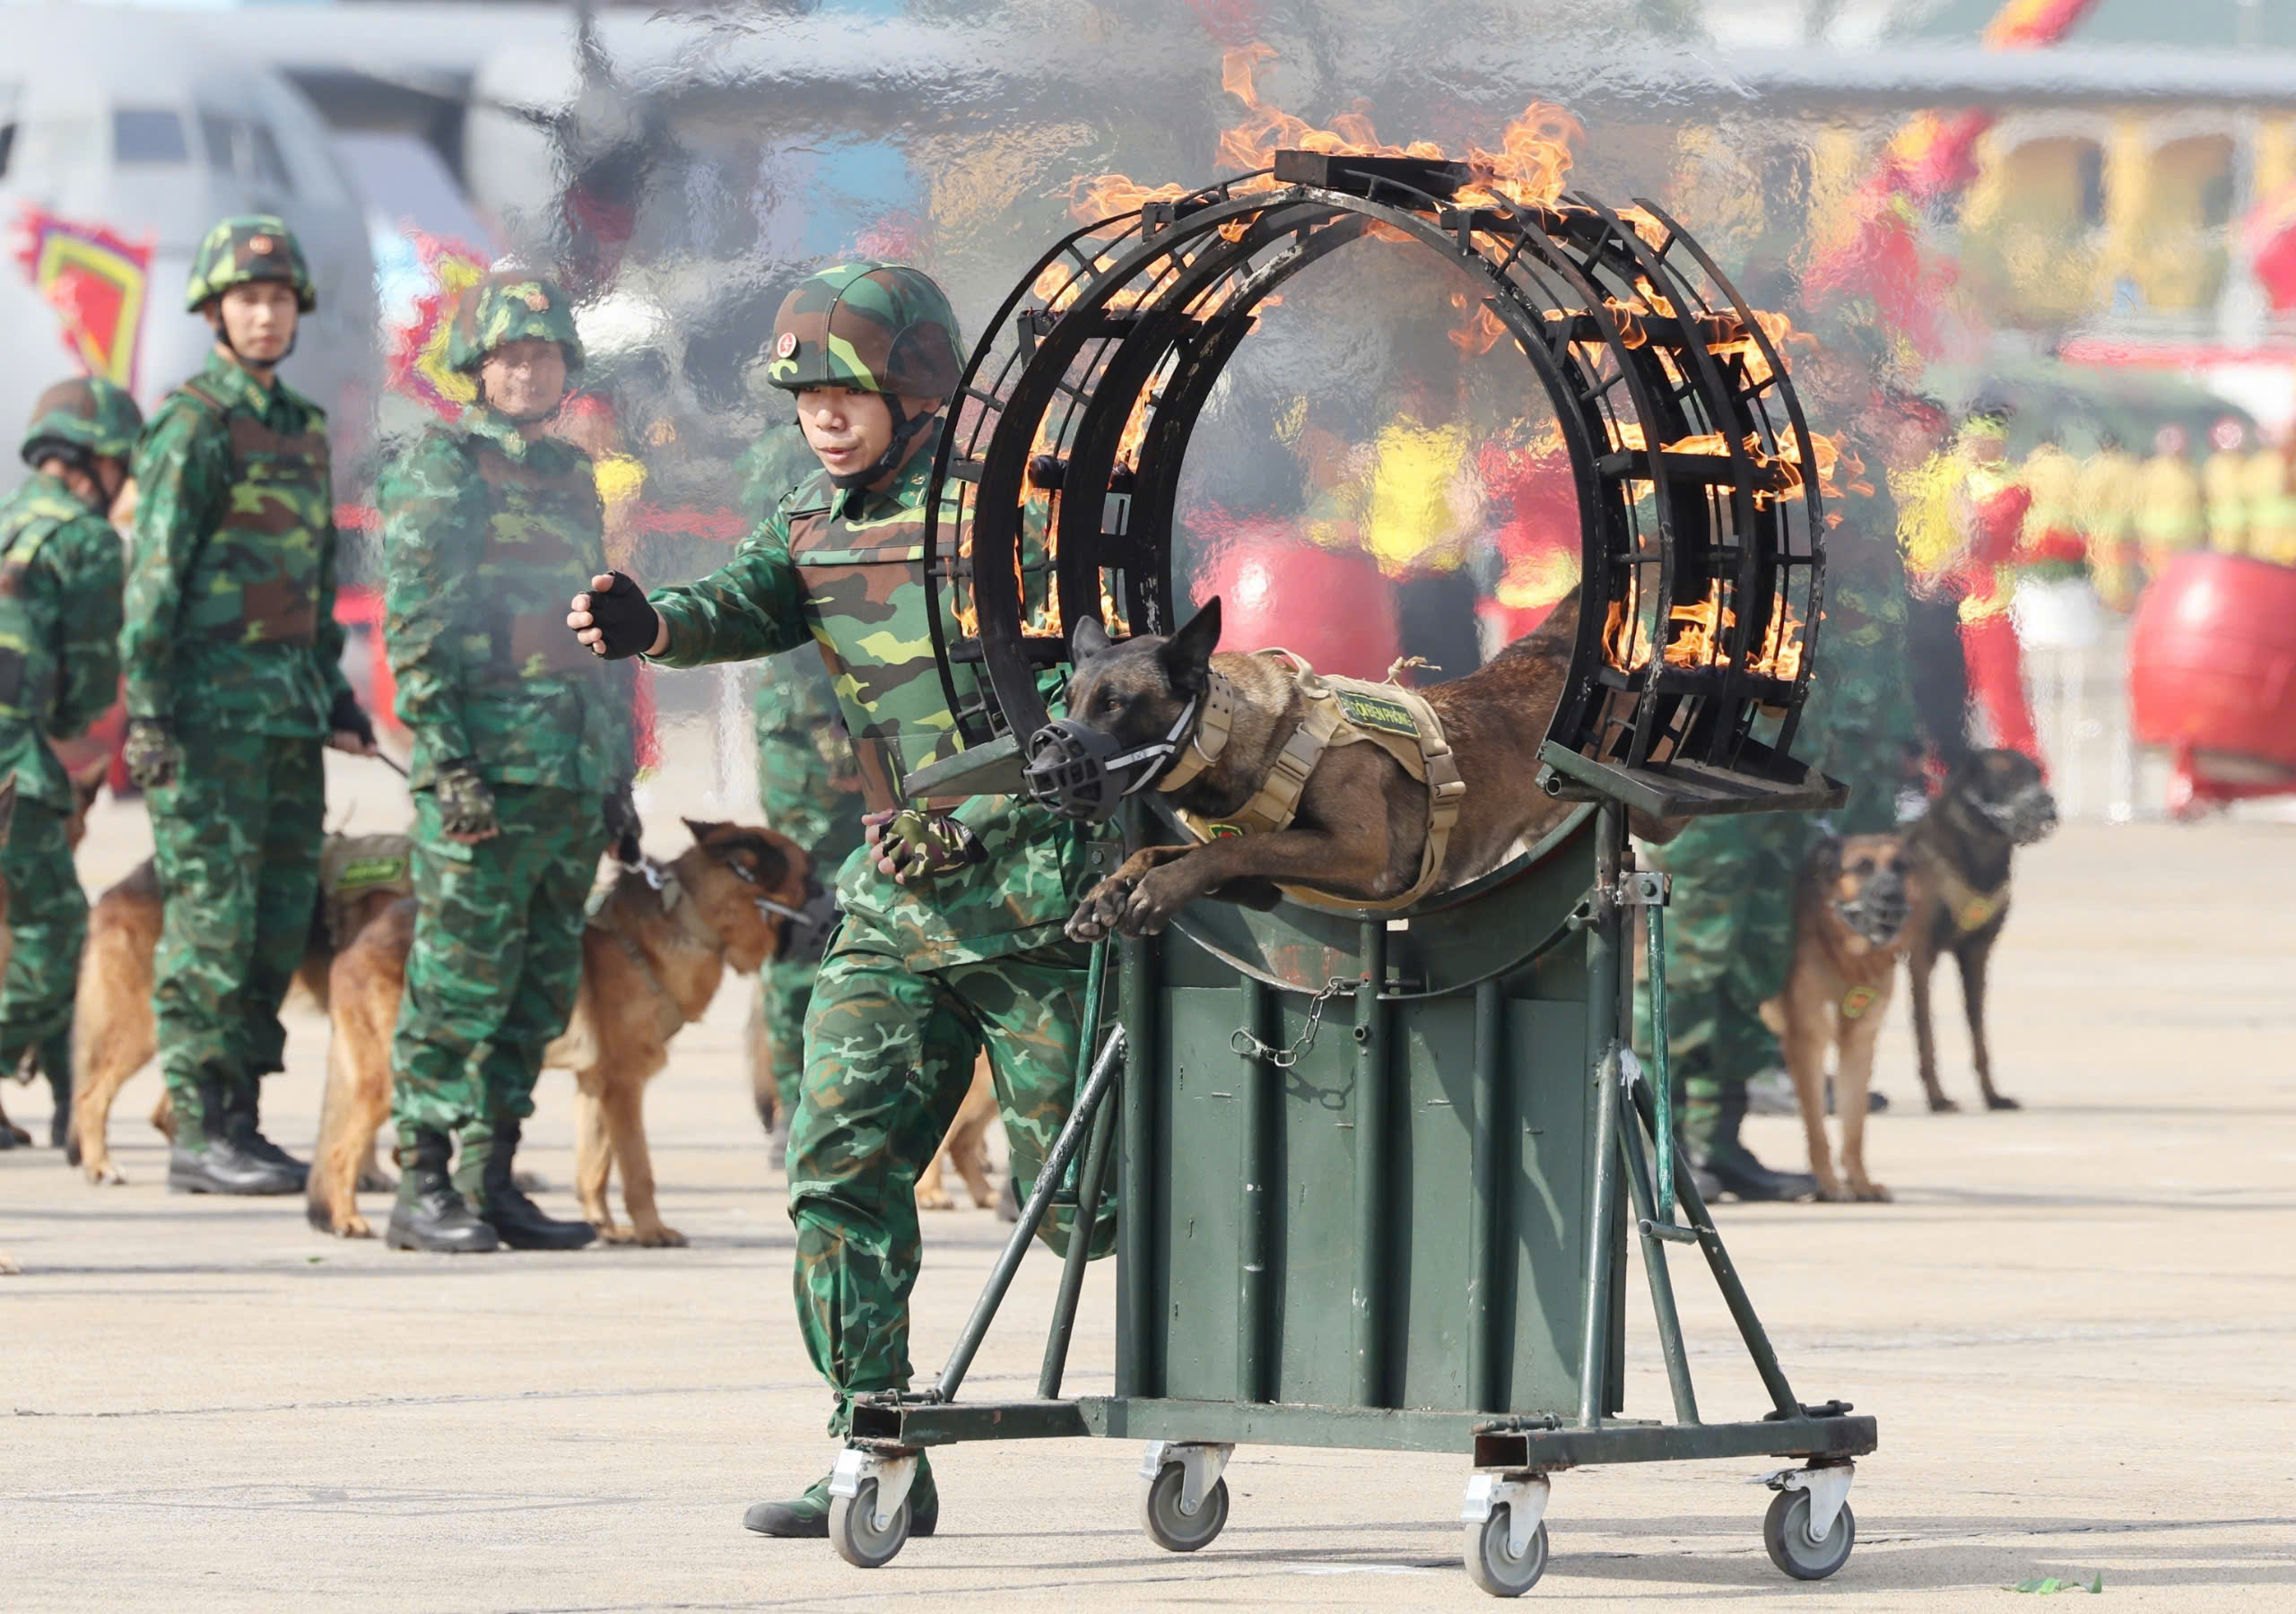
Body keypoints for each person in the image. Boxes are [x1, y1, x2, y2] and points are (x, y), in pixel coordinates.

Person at [567, 261, 1117, 1538]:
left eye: (847, 388)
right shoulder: (809, 519)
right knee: (837, 1163)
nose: (821, 411)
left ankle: (1212, 1389)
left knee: (1082, 1204)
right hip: (904, 893)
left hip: (1043, 898)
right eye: (805, 390)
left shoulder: (1010, 516)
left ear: (917, 388)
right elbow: (742, 604)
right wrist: (652, 626)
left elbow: (1126, 653)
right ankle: (874, 1449)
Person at [376, 270, 635, 1254]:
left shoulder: (573, 477)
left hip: (566, 773)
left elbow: (594, 632)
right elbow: (421, 630)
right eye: (509, 355)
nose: (527, 371)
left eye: (544, 354)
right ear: (477, 369)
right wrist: (447, 767)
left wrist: (614, 775)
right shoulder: (441, 468)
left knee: (534, 983)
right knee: (459, 981)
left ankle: (493, 1177)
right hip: (482, 772)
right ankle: (425, 1180)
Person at [120, 215, 377, 1195]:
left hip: (286, 722)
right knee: (212, 922)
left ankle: (241, 1115)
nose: (265, 314)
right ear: (217, 311)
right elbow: (154, 576)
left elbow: (311, 589)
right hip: (203, 721)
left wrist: (337, 694)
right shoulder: (193, 424)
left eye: (278, 300)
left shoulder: (302, 431)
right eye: (247, 299)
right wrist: (147, 710)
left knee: (275, 922)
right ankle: (197, 1121)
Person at [0, 379, 138, 1148]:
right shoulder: (83, 542)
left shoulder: (7, 516)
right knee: (55, 941)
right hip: (18, 763)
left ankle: (63, 1105)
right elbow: (83, 692)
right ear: (98, 462)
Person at [737, 421, 863, 1140]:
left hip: (881, 720)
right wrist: (825, 723)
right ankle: (793, 1098)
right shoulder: (786, 460)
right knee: (804, 910)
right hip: (815, 739)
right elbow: (780, 596)